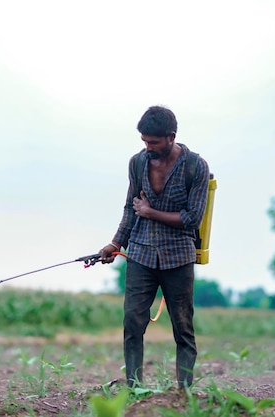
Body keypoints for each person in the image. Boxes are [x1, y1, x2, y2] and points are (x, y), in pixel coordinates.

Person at [99, 105, 210, 389]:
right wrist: (115, 243)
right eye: (144, 141)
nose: (147, 147)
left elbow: (192, 218)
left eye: (153, 142)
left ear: (171, 137)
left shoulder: (196, 166)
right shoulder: (137, 163)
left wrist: (151, 212)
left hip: (178, 258)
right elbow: (129, 207)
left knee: (183, 329)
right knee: (132, 324)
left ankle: (184, 391)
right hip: (140, 254)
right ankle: (135, 388)